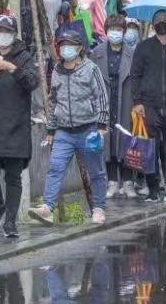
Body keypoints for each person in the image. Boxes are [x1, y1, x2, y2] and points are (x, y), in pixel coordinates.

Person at [29, 22, 110, 226]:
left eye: (70, 45)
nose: (66, 49)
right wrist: (51, 129)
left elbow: (101, 97)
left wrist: (101, 127)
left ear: (80, 47)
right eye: (63, 45)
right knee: (55, 168)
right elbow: (53, 101)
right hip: (64, 131)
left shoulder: (91, 69)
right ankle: (47, 208)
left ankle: (99, 208)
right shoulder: (57, 70)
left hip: (88, 129)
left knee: (96, 171)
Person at [0, 14, 38, 239]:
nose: (2, 35)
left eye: (7, 31)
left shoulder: (24, 58)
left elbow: (32, 82)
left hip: (16, 126)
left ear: (14, 35)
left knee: (13, 176)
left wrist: (12, 68)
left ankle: (10, 221)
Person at [128, 10, 166, 202]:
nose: (162, 23)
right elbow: (135, 75)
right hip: (149, 105)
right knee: (150, 148)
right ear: (153, 25)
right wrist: (137, 102)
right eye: (158, 20)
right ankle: (153, 188)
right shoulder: (143, 47)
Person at [95, 15, 140, 199]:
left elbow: (138, 79)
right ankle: (112, 181)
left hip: (126, 100)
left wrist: (138, 102)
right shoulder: (97, 52)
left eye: (119, 30)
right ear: (106, 31)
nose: (116, 33)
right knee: (108, 141)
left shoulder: (133, 53)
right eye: (112, 29)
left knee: (127, 139)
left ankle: (128, 182)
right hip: (105, 100)